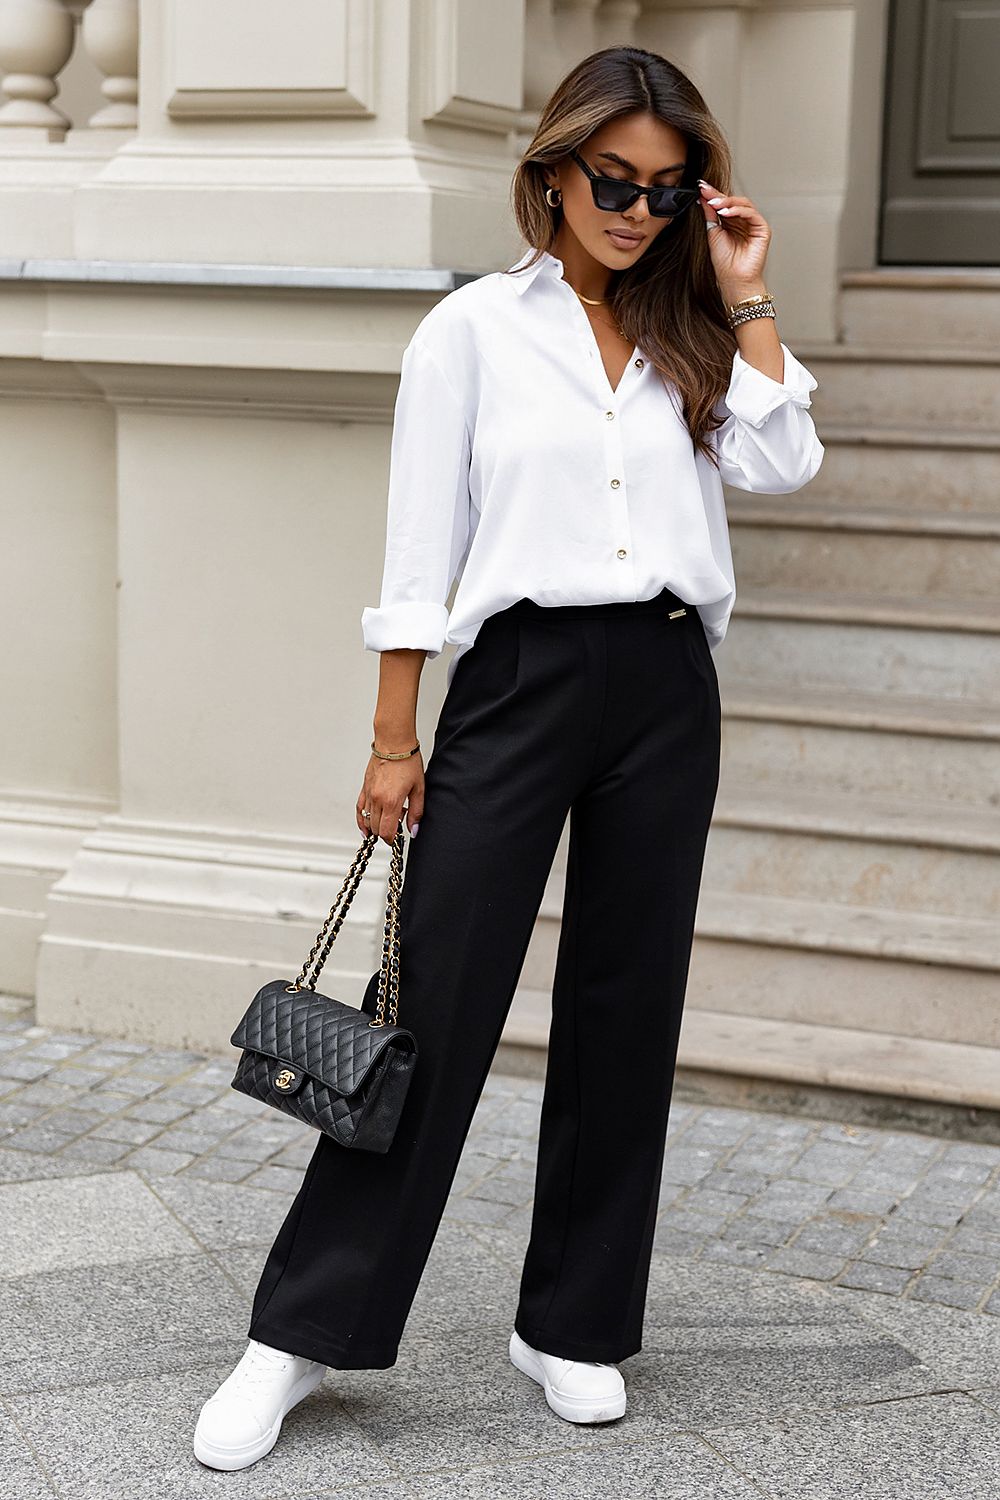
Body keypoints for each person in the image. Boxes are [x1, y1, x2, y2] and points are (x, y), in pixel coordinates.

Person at [193, 43, 824, 1471]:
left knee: (626, 1005)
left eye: (668, 191)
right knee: (434, 1003)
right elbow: (421, 547)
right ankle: (298, 1336)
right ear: (552, 173)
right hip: (522, 678)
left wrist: (745, 287)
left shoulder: (692, 333)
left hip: (665, 681)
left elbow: (785, 463)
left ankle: (575, 1324)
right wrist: (390, 738)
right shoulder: (473, 330)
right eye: (615, 181)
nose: (638, 210)